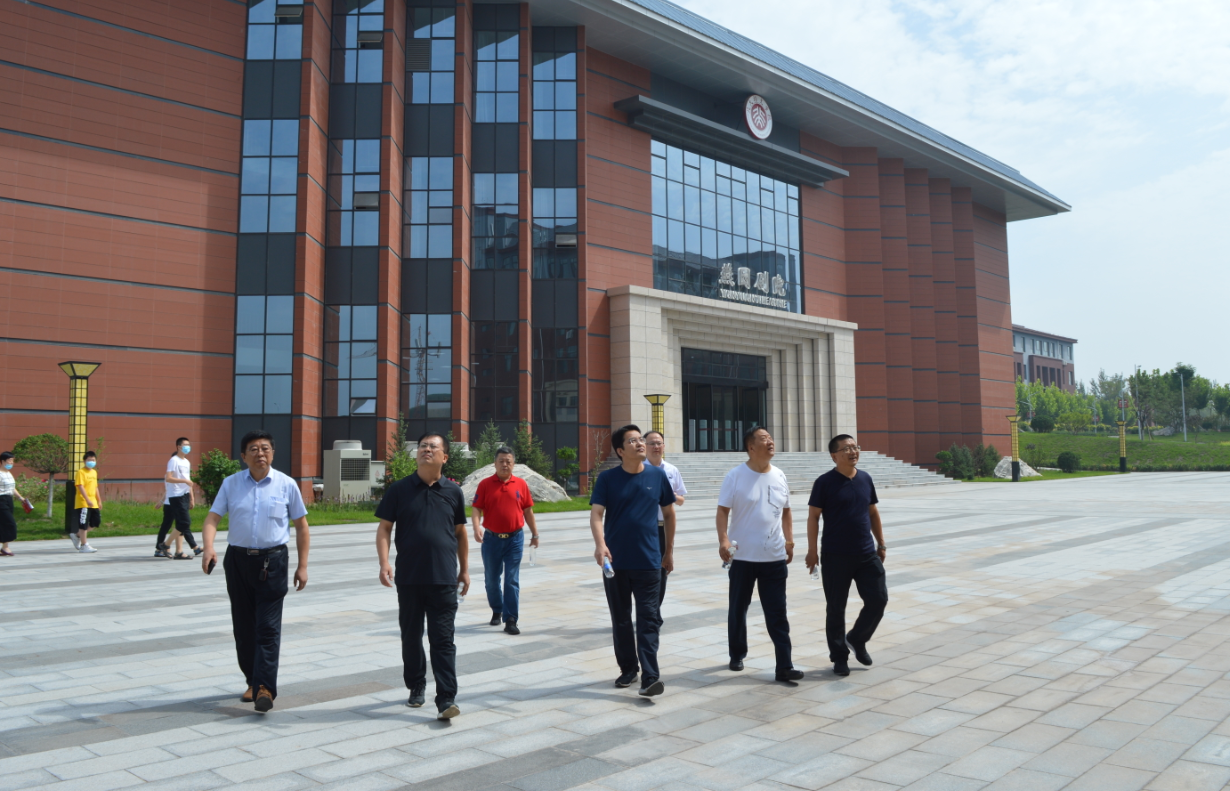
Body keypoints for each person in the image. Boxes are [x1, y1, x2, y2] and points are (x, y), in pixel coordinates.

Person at [199, 430, 310, 713]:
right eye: (254, 449)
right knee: (244, 627)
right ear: (243, 456)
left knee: (268, 628)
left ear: (273, 453)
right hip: (238, 562)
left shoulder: (286, 484)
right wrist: (209, 547)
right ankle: (252, 680)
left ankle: (265, 689)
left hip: (273, 562)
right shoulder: (231, 484)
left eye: (265, 448)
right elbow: (212, 518)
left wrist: (302, 566)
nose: (260, 453)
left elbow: (301, 527)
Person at [376, 433, 469, 720]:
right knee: (411, 636)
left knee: (443, 640)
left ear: (445, 457)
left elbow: (460, 533)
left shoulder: (453, 492)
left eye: (433, 447)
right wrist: (384, 562)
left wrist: (464, 569)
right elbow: (384, 529)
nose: (426, 450)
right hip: (410, 577)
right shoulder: (399, 490)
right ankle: (416, 685)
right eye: (423, 446)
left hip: (444, 577)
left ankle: (446, 698)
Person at [589, 424, 677, 698]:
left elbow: (669, 514)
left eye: (641, 439)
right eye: (633, 441)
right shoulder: (607, 479)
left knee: (648, 619)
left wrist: (668, 551)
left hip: (649, 561)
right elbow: (596, 514)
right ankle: (628, 668)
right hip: (615, 563)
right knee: (621, 619)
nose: (640, 444)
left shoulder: (657, 476)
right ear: (620, 450)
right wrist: (600, 545)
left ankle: (650, 676)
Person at [717, 427, 803, 682]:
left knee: (777, 612)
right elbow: (722, 511)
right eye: (764, 439)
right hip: (742, 557)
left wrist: (789, 540)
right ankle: (737, 654)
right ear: (751, 447)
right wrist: (723, 539)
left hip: (773, 558)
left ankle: (784, 665)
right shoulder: (735, 476)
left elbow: (786, 511)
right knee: (738, 609)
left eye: (771, 438)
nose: (770, 442)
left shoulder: (779, 475)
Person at [805, 434, 888, 677]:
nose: (853, 451)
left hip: (866, 553)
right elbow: (813, 517)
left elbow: (872, 512)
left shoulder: (865, 478)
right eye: (847, 449)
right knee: (836, 608)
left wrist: (881, 544)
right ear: (834, 455)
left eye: (855, 447)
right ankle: (839, 656)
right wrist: (812, 551)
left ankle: (857, 638)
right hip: (835, 555)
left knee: (878, 599)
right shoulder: (824, 482)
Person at [471, 446, 539, 635]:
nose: (504, 464)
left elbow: (528, 510)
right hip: (491, 540)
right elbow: (476, 508)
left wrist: (535, 534)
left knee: (511, 580)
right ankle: (497, 609)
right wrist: (476, 527)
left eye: (508, 461)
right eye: (501, 461)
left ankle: (511, 619)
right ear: (495, 463)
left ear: (513, 464)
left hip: (514, 539)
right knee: (491, 580)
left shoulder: (521, 484)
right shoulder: (485, 484)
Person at [644, 431, 686, 605]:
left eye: (659, 443)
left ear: (664, 446)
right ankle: (647, 610)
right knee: (644, 571)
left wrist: (668, 495)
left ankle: (655, 611)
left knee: (662, 570)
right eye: (652, 443)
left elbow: (681, 500)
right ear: (645, 446)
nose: (656, 447)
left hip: (664, 528)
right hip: (645, 529)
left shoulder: (671, 470)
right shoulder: (639, 469)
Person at [156, 438, 200, 559]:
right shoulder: (173, 460)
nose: (188, 447)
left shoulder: (186, 462)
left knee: (181, 523)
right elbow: (169, 478)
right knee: (184, 522)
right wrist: (184, 481)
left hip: (184, 495)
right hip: (176, 496)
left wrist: (191, 497)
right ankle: (165, 544)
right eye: (185, 445)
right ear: (178, 447)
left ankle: (178, 552)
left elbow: (188, 480)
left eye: (189, 445)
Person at [72, 451, 101, 553]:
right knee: (83, 523)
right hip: (83, 502)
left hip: (93, 502)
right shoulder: (81, 472)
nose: (91, 462)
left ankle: (77, 535)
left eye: (93, 460)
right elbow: (80, 486)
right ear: (84, 461)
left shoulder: (94, 472)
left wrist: (99, 500)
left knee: (96, 522)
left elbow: (95, 487)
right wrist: (87, 499)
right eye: (89, 460)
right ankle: (84, 545)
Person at [0, 451, 27, 557]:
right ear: (3, 461)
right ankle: (5, 547)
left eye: (12, 460)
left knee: (4, 524)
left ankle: (5, 547)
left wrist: (20, 498)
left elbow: (12, 488)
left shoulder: (8, 473)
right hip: (1, 500)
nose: (11, 463)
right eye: (9, 460)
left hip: (9, 499)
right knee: (10, 523)